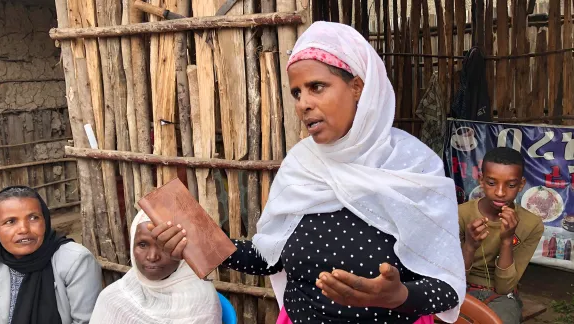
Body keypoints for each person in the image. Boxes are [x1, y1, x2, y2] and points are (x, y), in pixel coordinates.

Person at [150, 21, 466, 323]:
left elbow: (448, 288)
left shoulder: (414, 169)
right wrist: (200, 241)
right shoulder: (301, 168)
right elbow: (268, 257)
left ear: (357, 87)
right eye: (297, 93)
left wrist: (399, 296)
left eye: (317, 87)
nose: (304, 104)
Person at [90, 210, 222, 324]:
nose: (152, 257)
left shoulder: (200, 303)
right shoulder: (114, 296)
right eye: (142, 244)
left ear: (181, 247)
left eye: (163, 245)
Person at [459, 147, 544, 324]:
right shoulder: (460, 215)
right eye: (491, 183)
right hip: (459, 287)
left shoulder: (531, 224)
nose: (500, 192)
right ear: (481, 180)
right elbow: (452, 277)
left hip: (501, 296)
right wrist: (469, 246)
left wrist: (507, 240)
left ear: (521, 185)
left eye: (511, 185)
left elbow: (505, 287)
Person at [0, 186, 102, 324]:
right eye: (10, 221)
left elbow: (87, 321)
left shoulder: (76, 261)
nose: (23, 229)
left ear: (45, 221)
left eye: (33, 218)